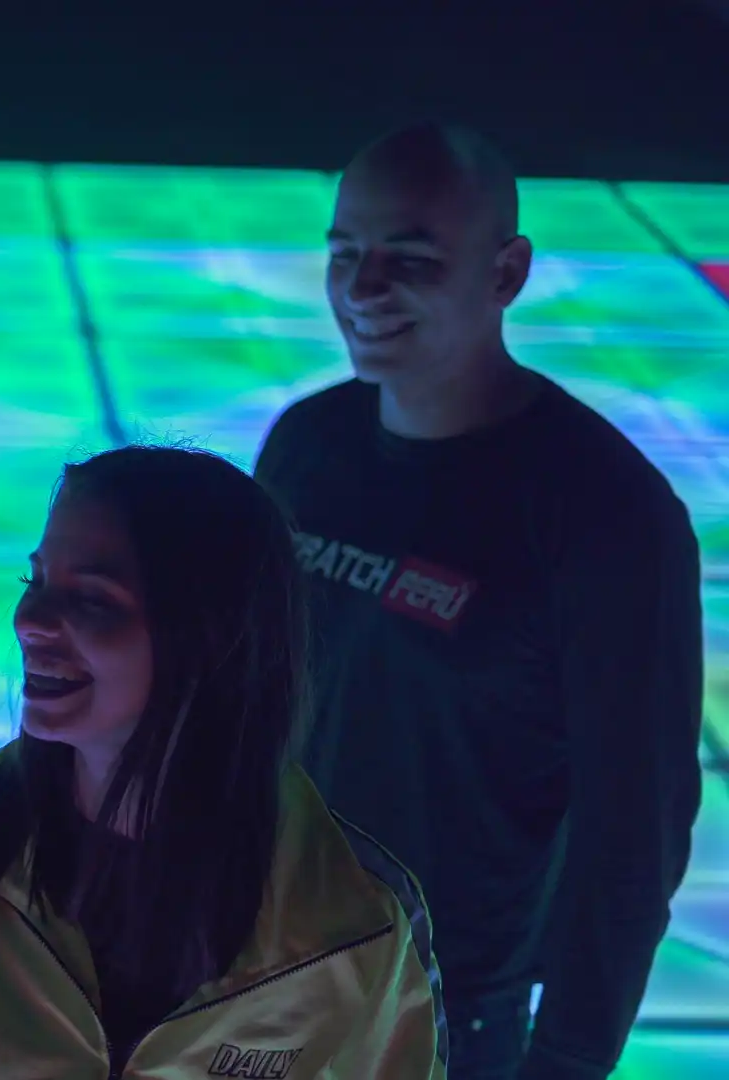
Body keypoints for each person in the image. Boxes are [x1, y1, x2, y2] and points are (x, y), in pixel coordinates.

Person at [253, 122, 704, 1080]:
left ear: (507, 274)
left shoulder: (607, 513)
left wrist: (571, 1057)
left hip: (446, 1005)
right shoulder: (305, 447)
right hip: (256, 962)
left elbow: (637, 828)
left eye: (410, 259)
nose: (363, 289)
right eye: (345, 254)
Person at [0, 445, 447, 1079]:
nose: (30, 620)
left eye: (93, 602)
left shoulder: (361, 918)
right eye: (37, 581)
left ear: (210, 636)